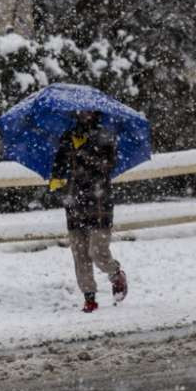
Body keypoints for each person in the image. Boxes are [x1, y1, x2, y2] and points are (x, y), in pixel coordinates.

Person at [50, 110, 128, 312]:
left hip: (99, 202)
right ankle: (89, 298)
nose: (84, 114)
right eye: (80, 111)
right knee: (80, 254)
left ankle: (116, 274)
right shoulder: (68, 137)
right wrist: (57, 186)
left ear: (95, 113)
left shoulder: (105, 136)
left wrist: (83, 150)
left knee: (97, 252)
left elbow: (107, 165)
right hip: (75, 203)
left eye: (88, 111)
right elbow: (58, 167)